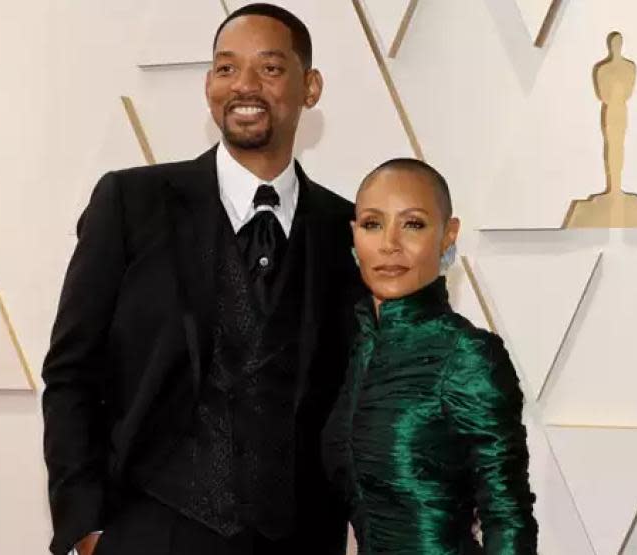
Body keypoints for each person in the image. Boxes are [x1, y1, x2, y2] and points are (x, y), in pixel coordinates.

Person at [41, 4, 362, 555]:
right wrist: (85, 528)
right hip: (148, 531)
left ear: (310, 87)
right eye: (225, 68)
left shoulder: (347, 230)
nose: (244, 86)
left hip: (299, 539)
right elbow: (71, 372)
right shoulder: (130, 202)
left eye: (269, 68)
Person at [322, 158, 538, 554]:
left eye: (413, 224)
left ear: (447, 235)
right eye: (372, 224)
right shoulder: (356, 350)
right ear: (354, 236)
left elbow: (508, 516)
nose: (389, 243)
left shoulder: (467, 355)